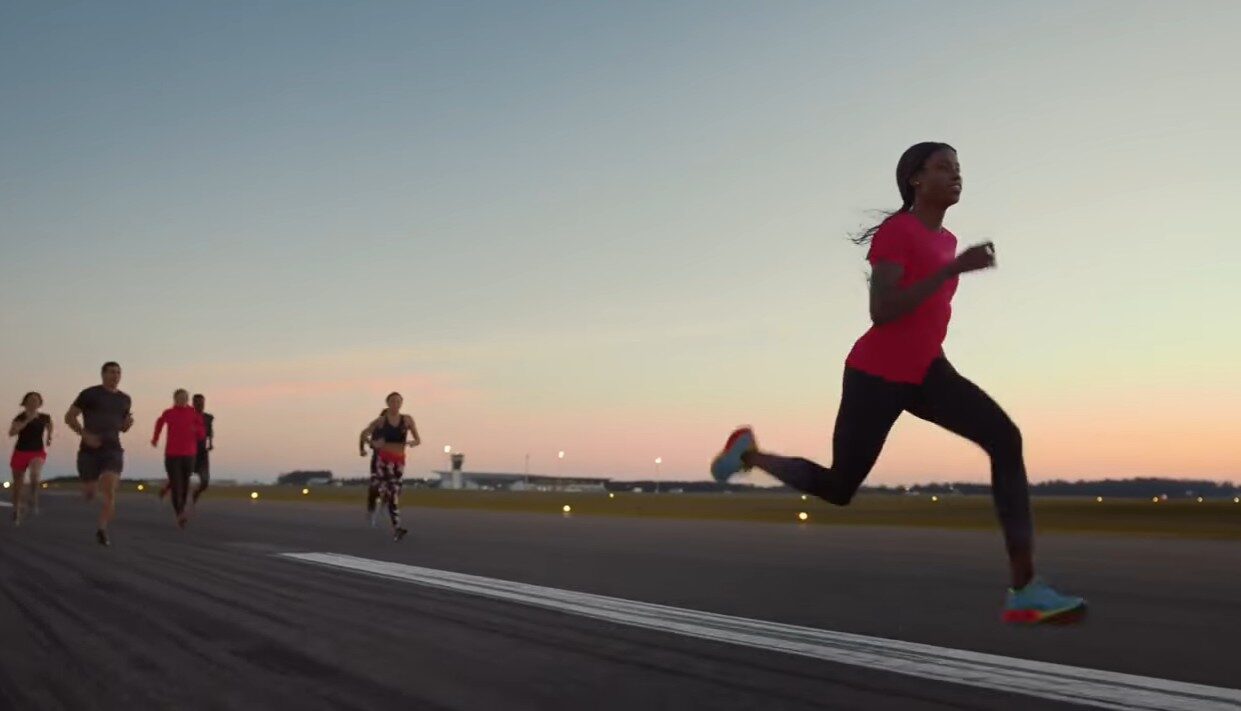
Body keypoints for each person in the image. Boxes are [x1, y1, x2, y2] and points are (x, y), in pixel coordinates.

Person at [709, 142, 1085, 624]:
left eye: (959, 168)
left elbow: (928, 314)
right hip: (876, 375)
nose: (956, 175)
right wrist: (953, 269)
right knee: (839, 487)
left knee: (1005, 439)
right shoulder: (897, 232)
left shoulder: (947, 239)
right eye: (943, 167)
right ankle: (750, 454)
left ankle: (1025, 589)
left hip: (928, 370)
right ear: (915, 179)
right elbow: (882, 311)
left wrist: (952, 267)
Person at [65, 362, 133, 547]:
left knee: (109, 489)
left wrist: (127, 425)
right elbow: (69, 417)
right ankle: (87, 492)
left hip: (112, 449)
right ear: (103, 374)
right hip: (89, 450)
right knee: (90, 492)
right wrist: (84, 434)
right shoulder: (90, 394)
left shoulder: (125, 399)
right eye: (111, 372)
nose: (115, 375)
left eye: (118, 372)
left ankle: (102, 529)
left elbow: (122, 427)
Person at [358, 393, 420, 541]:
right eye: (392, 401)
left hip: (399, 461)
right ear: (387, 403)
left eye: (398, 401)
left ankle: (385, 510)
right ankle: (396, 527)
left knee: (395, 491)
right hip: (383, 460)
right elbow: (363, 434)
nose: (395, 404)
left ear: (401, 403)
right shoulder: (381, 421)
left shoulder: (407, 419)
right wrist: (372, 444)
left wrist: (413, 442)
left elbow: (418, 439)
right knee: (388, 490)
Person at [151, 389, 206, 528]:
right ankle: (180, 513)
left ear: (187, 399)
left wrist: (196, 430)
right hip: (172, 454)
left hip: (189, 454)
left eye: (184, 398)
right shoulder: (169, 413)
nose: (182, 400)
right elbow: (159, 424)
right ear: (174, 399)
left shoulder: (194, 413)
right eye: (179, 398)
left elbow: (202, 433)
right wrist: (155, 438)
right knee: (176, 484)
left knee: (185, 485)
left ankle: (181, 507)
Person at [9, 392, 52, 524]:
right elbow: (12, 432)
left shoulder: (44, 417)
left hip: (37, 452)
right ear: (25, 402)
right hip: (20, 452)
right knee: (18, 486)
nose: (34, 402)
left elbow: (49, 425)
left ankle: (33, 496)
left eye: (36, 400)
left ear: (40, 403)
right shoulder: (20, 417)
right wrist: (27, 420)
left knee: (35, 474)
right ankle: (16, 511)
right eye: (31, 400)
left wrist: (49, 437)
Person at [358, 409, 383, 527]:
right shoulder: (375, 428)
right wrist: (362, 449)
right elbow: (363, 434)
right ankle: (371, 508)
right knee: (374, 486)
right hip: (378, 460)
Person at [190, 393, 214, 504]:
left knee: (205, 481)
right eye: (198, 403)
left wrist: (210, 444)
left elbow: (210, 432)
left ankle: (197, 492)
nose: (200, 405)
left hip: (202, 453)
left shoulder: (207, 418)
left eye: (202, 403)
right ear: (193, 403)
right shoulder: (187, 417)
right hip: (188, 452)